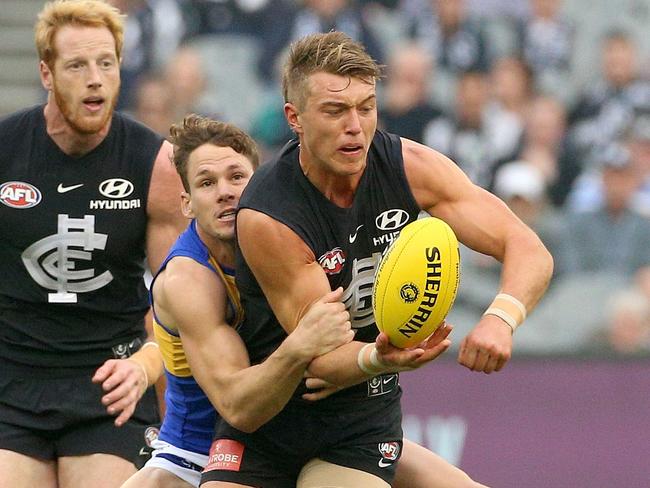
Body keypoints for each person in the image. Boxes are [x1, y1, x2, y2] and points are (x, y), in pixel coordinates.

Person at [202, 31, 553, 488]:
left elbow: (528, 248)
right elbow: (320, 357)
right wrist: (381, 356)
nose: (355, 125)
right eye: (335, 110)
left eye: (366, 107)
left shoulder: (410, 167)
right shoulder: (270, 214)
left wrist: (501, 318)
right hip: (268, 426)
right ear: (295, 118)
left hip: (360, 423)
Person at [0, 1, 187, 487]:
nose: (96, 79)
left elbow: (180, 301)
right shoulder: (5, 150)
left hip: (110, 385)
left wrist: (146, 367)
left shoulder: (155, 162)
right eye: (77, 65)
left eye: (106, 63)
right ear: (46, 72)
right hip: (11, 383)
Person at [120, 114, 355, 488]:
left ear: (260, 183)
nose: (225, 192)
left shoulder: (289, 239)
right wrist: (301, 348)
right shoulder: (187, 278)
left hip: (299, 439)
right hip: (196, 454)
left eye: (237, 177)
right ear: (187, 203)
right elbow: (237, 406)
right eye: (207, 183)